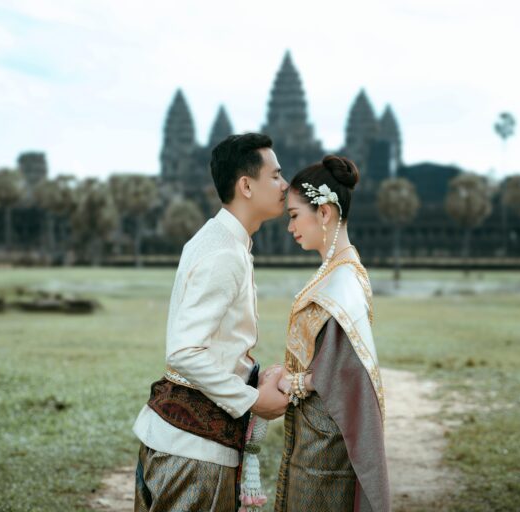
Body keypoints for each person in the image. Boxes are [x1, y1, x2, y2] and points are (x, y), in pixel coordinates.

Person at [133, 133, 291, 512]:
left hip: (179, 444)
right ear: (246, 186)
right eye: (276, 176)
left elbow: (216, 343)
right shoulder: (225, 253)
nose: (285, 186)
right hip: (194, 457)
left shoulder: (218, 240)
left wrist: (253, 374)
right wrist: (254, 400)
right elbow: (185, 350)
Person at [274, 155, 391, 512]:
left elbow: (347, 371)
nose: (291, 227)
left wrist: (293, 383)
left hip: (327, 445)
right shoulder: (337, 273)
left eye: (295, 215)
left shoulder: (344, 281)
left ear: (324, 212)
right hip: (315, 432)